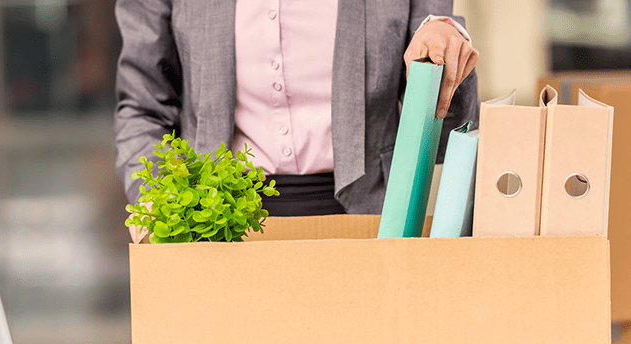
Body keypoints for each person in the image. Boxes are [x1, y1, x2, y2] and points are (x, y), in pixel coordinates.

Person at [114, 1, 479, 243]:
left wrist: (447, 44)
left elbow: (444, 123)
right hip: (214, 227)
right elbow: (143, 106)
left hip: (372, 223)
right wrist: (159, 211)